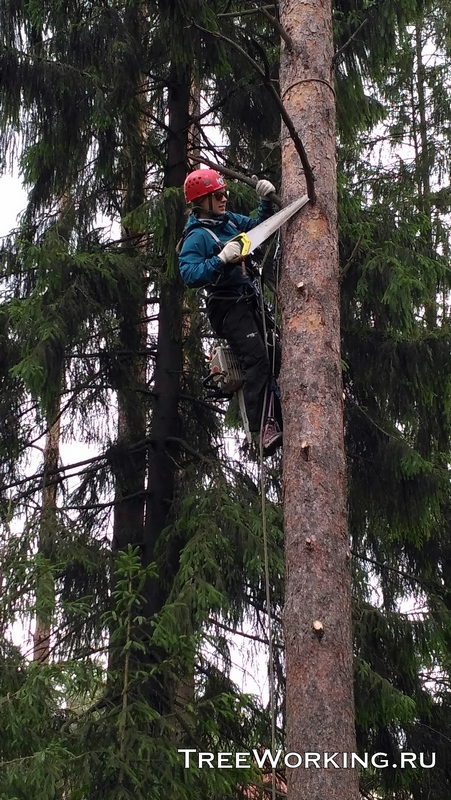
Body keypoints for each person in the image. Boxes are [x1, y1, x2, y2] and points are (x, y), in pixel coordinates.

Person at [178, 168, 283, 455]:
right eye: (218, 195)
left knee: (275, 353)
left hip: (248, 299)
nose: (225, 198)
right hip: (226, 306)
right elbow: (189, 273)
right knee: (257, 358)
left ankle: (277, 419)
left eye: (225, 193)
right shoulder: (197, 236)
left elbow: (260, 229)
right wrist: (221, 259)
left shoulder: (230, 221)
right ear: (202, 201)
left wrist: (264, 201)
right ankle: (260, 430)